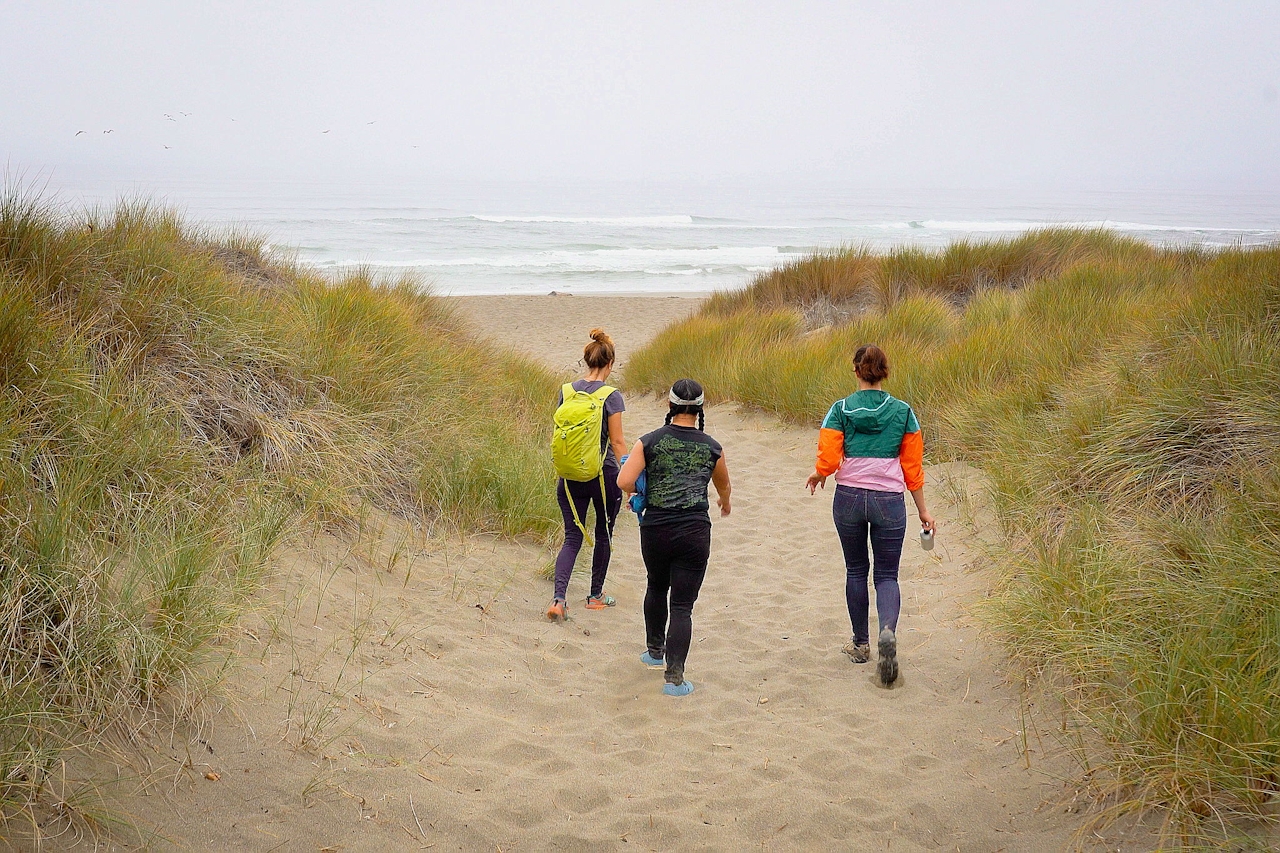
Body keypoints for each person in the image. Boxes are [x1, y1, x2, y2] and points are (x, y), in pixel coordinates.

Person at [805, 344, 935, 686]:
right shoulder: (904, 412)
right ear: (885, 372)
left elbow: (830, 460)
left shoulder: (840, 409)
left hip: (848, 498)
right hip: (889, 501)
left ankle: (861, 644)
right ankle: (887, 632)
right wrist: (923, 510)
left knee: (855, 569)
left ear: (856, 371)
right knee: (887, 575)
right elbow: (912, 467)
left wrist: (819, 475)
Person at [618, 379, 731, 697]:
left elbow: (624, 480)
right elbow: (723, 486)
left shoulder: (649, 441)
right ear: (699, 410)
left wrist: (640, 487)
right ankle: (675, 679)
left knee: (656, 585)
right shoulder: (712, 447)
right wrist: (725, 502)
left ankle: (654, 652)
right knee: (682, 606)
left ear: (670, 406)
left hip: (655, 529)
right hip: (694, 532)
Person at [547, 329, 628, 621]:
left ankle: (558, 599)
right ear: (611, 363)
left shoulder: (566, 391)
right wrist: (631, 478)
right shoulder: (612, 396)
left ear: (585, 360)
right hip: (602, 476)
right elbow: (617, 442)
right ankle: (595, 597)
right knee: (603, 534)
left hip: (569, 475)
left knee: (572, 537)